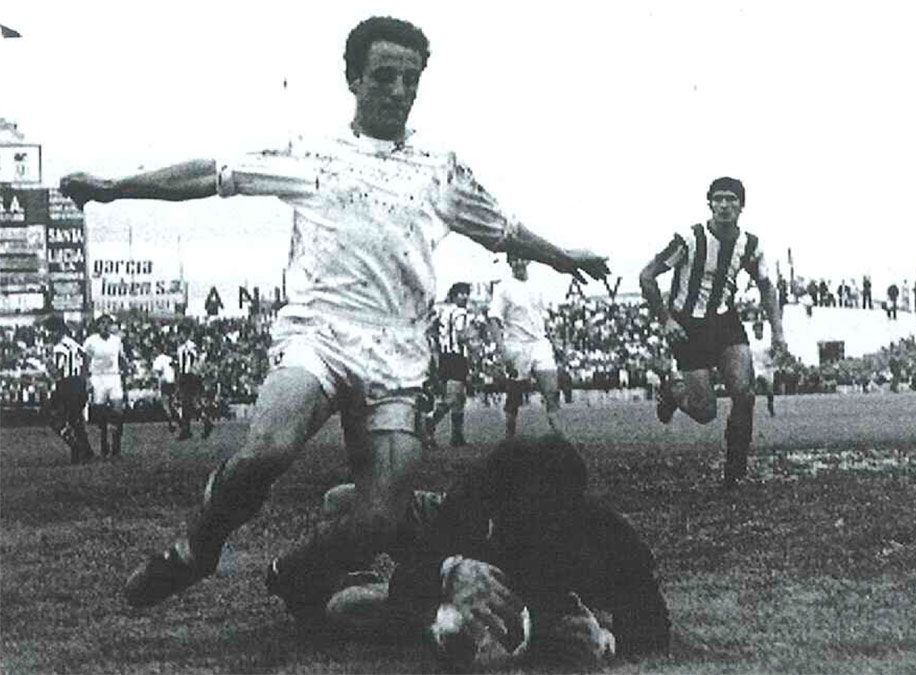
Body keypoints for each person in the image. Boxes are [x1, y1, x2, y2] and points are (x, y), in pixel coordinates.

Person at [59, 15, 609, 609]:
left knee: (377, 521)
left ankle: (292, 572)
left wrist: (560, 255)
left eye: (410, 79)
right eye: (384, 77)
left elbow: (504, 230)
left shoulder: (440, 170)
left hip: (398, 354)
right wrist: (116, 186)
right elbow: (212, 174)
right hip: (318, 335)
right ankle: (196, 550)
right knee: (268, 449)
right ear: (353, 78)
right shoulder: (312, 154)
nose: (398, 90)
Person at [267, 435, 670, 671]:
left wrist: (606, 639)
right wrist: (449, 570)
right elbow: (410, 577)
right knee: (360, 509)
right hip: (446, 525)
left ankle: (355, 583)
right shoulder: (474, 503)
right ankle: (288, 572)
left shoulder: (603, 534)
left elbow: (651, 618)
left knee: (349, 609)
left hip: (481, 551)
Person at [638, 177, 787, 488]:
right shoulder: (690, 240)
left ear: (741, 205)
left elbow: (766, 287)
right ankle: (674, 392)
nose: (724, 205)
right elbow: (647, 276)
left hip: (724, 321)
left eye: (731, 199)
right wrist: (666, 320)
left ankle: (735, 474)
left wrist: (778, 332)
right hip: (687, 326)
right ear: (709, 203)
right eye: (718, 199)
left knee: (744, 394)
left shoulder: (750, 244)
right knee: (705, 411)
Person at [487, 254, 566, 438]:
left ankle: (559, 435)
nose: (519, 262)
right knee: (515, 396)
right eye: (514, 260)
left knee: (552, 390)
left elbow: (542, 318)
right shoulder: (503, 287)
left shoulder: (537, 285)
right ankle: (509, 435)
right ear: (510, 263)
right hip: (516, 345)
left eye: (522, 258)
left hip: (539, 343)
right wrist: (502, 349)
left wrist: (554, 342)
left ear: (528, 260)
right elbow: (493, 319)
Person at [425, 282, 473, 447]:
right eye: (461, 293)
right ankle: (427, 428)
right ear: (454, 295)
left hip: (445, 356)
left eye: (466, 293)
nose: (465, 296)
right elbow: (461, 335)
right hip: (456, 357)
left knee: (459, 398)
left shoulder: (443, 311)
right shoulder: (460, 312)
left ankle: (457, 436)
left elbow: (431, 329)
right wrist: (473, 339)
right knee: (452, 398)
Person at [44, 315, 94, 464]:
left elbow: (57, 372)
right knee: (75, 418)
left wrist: (48, 364)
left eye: (50, 331)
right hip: (79, 383)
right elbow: (86, 358)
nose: (49, 335)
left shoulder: (59, 348)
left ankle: (75, 446)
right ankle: (87, 450)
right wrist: (85, 378)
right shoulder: (74, 344)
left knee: (54, 418)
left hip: (67, 384)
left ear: (56, 331)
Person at [81, 314, 127, 458]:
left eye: (108, 323)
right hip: (98, 377)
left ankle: (116, 447)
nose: (105, 326)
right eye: (102, 323)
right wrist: (86, 379)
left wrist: (126, 368)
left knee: (118, 412)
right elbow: (85, 361)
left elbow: (122, 357)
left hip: (113, 377)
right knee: (100, 414)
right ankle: (103, 444)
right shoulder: (91, 341)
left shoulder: (116, 341)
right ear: (98, 325)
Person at [175, 326, 214, 440]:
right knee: (189, 403)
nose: (179, 336)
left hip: (190, 377)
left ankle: (188, 429)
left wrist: (195, 370)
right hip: (185, 377)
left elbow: (199, 358)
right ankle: (204, 424)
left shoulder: (190, 347)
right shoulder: (182, 347)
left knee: (188, 403)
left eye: (181, 334)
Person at [748, 319, 776, 417]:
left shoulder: (767, 342)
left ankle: (770, 406)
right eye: (756, 329)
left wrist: (772, 354)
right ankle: (748, 409)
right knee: (752, 389)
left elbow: (773, 354)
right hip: (756, 367)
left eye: (759, 329)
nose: (758, 331)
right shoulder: (751, 344)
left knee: (769, 391)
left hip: (766, 368)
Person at [150, 348, 179, 433]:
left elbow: (158, 373)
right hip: (172, 381)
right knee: (172, 401)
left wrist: (158, 386)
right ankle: (178, 417)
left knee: (165, 403)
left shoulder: (158, 359)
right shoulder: (169, 358)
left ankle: (171, 421)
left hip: (165, 381)